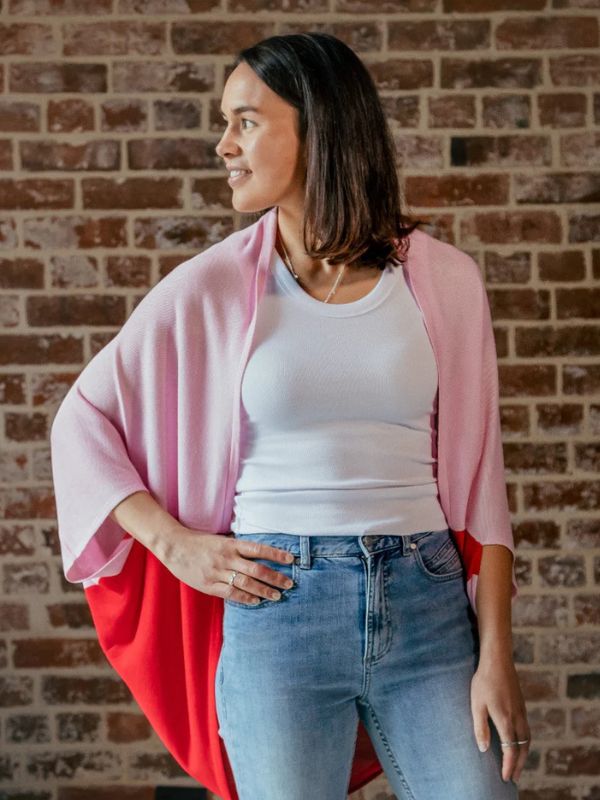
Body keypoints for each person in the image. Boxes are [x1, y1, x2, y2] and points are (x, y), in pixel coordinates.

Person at [50, 32, 530, 800]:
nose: (222, 145)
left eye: (245, 121)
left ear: (318, 126)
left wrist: (496, 655)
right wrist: (174, 545)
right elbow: (80, 422)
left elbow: (484, 491)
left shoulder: (444, 281)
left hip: (428, 605)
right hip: (279, 609)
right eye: (225, 123)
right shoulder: (208, 289)